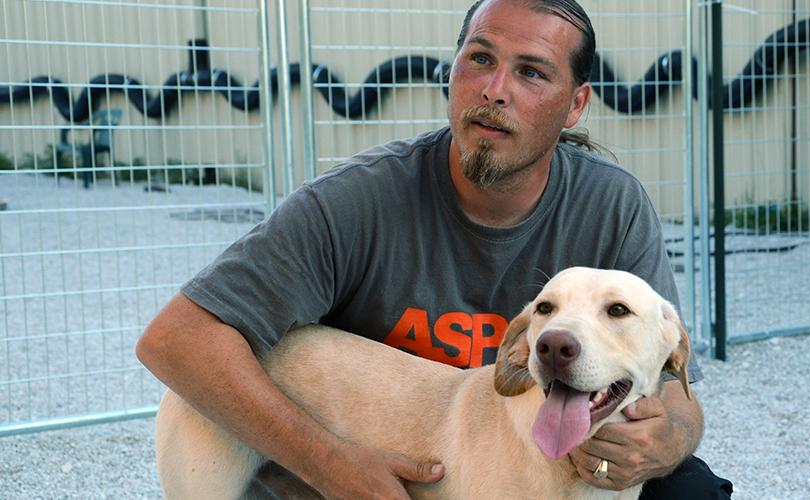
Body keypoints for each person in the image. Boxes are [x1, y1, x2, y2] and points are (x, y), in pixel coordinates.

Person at [136, 0, 732, 498]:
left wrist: (667, 441)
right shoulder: (357, 200)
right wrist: (329, 462)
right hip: (328, 466)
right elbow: (174, 339)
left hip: (498, 446)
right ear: (452, 71)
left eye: (531, 72)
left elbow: (675, 390)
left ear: (576, 103)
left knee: (691, 491)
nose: (495, 90)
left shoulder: (612, 206)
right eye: (480, 59)